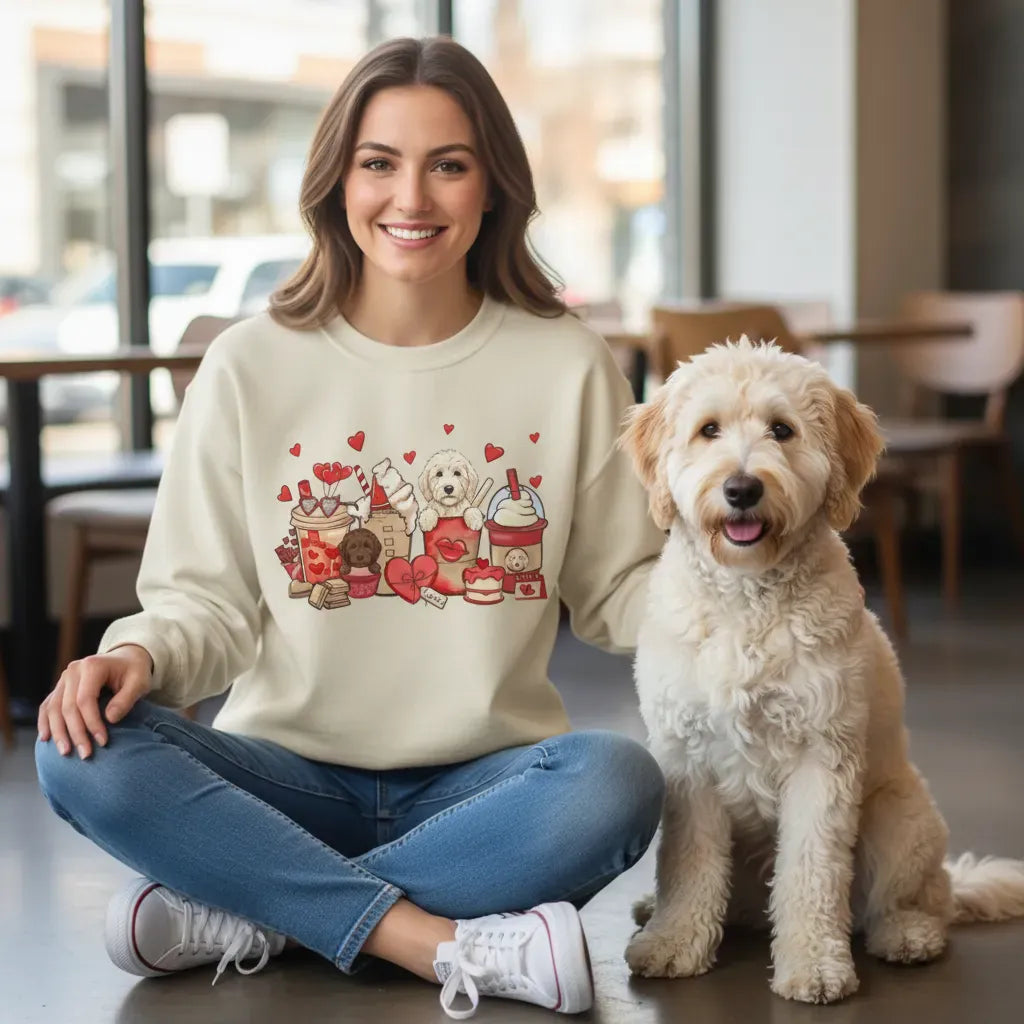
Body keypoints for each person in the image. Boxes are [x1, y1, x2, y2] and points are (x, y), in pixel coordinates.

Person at [35, 36, 666, 1020]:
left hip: (484, 782)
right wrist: (140, 655)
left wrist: (742, 586)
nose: (410, 198)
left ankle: (252, 905)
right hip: (282, 772)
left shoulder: (569, 363)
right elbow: (205, 604)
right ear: (338, 180)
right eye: (379, 163)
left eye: (447, 165)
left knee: (614, 780)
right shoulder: (250, 363)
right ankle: (429, 940)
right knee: (78, 747)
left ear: (491, 184)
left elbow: (622, 584)